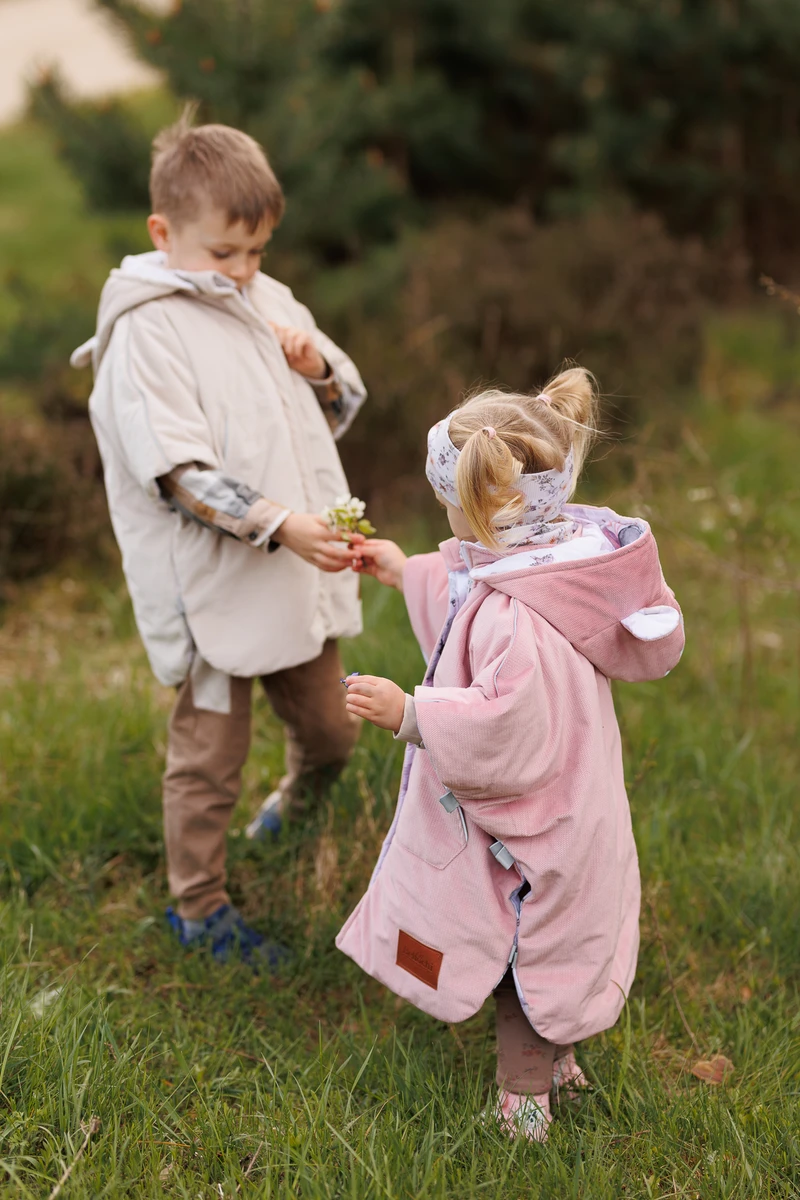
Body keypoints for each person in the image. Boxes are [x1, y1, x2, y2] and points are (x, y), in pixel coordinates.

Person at [336, 368, 684, 1140]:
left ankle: (523, 1101)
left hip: (535, 821)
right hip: (581, 802)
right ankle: (561, 1057)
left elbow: (508, 725)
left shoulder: (517, 620)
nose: (446, 522)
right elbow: (467, 578)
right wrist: (402, 570)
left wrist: (412, 712)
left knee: (521, 946)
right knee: (562, 935)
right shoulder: (553, 557)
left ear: (485, 506)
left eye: (448, 508)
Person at [71, 113, 366, 965]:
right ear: (163, 233)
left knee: (332, 731)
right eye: (222, 253)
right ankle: (199, 909)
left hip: (291, 573)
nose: (242, 272)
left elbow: (341, 402)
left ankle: (296, 810)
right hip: (209, 583)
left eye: (257, 252)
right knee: (209, 756)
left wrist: (314, 368)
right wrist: (281, 522)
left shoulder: (264, 298)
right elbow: (177, 471)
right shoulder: (146, 329)